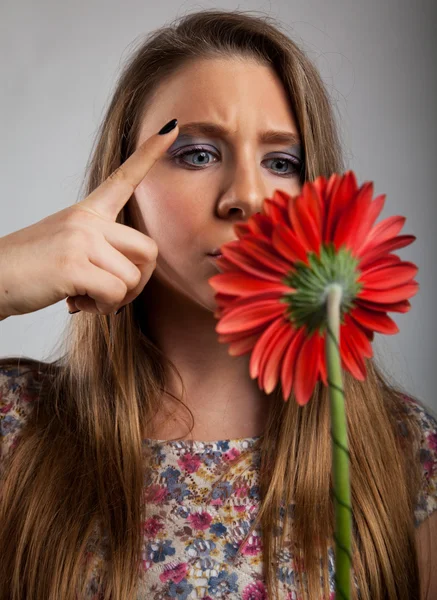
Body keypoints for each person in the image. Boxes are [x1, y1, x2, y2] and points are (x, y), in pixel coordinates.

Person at [0, 9, 436, 600]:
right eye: (198, 154)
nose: (247, 199)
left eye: (282, 163)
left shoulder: (403, 451)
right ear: (121, 186)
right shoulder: (15, 427)